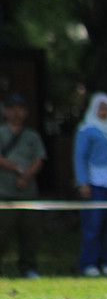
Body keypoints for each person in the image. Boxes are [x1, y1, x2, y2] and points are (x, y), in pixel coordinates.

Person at [74, 92, 107, 277]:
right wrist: (83, 182)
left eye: (106, 109)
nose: (104, 112)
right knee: (94, 225)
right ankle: (89, 263)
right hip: (96, 183)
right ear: (94, 109)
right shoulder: (86, 130)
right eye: (100, 108)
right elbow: (80, 158)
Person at [0, 93, 46, 279]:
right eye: (12, 109)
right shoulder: (1, 133)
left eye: (20, 109)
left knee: (30, 233)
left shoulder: (32, 136)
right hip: (4, 192)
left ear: (26, 112)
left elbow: (39, 159)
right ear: (6, 112)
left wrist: (27, 176)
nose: (16, 113)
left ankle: (28, 268)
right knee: (2, 233)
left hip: (28, 193)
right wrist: (19, 170)